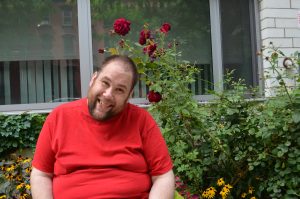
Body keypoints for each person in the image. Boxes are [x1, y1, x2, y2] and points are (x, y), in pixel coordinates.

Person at [30, 55, 175, 199]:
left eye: (119, 90)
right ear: (93, 79)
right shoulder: (59, 117)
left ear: (129, 95)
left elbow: (163, 176)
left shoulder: (142, 121)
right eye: (105, 83)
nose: (108, 94)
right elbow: (41, 174)